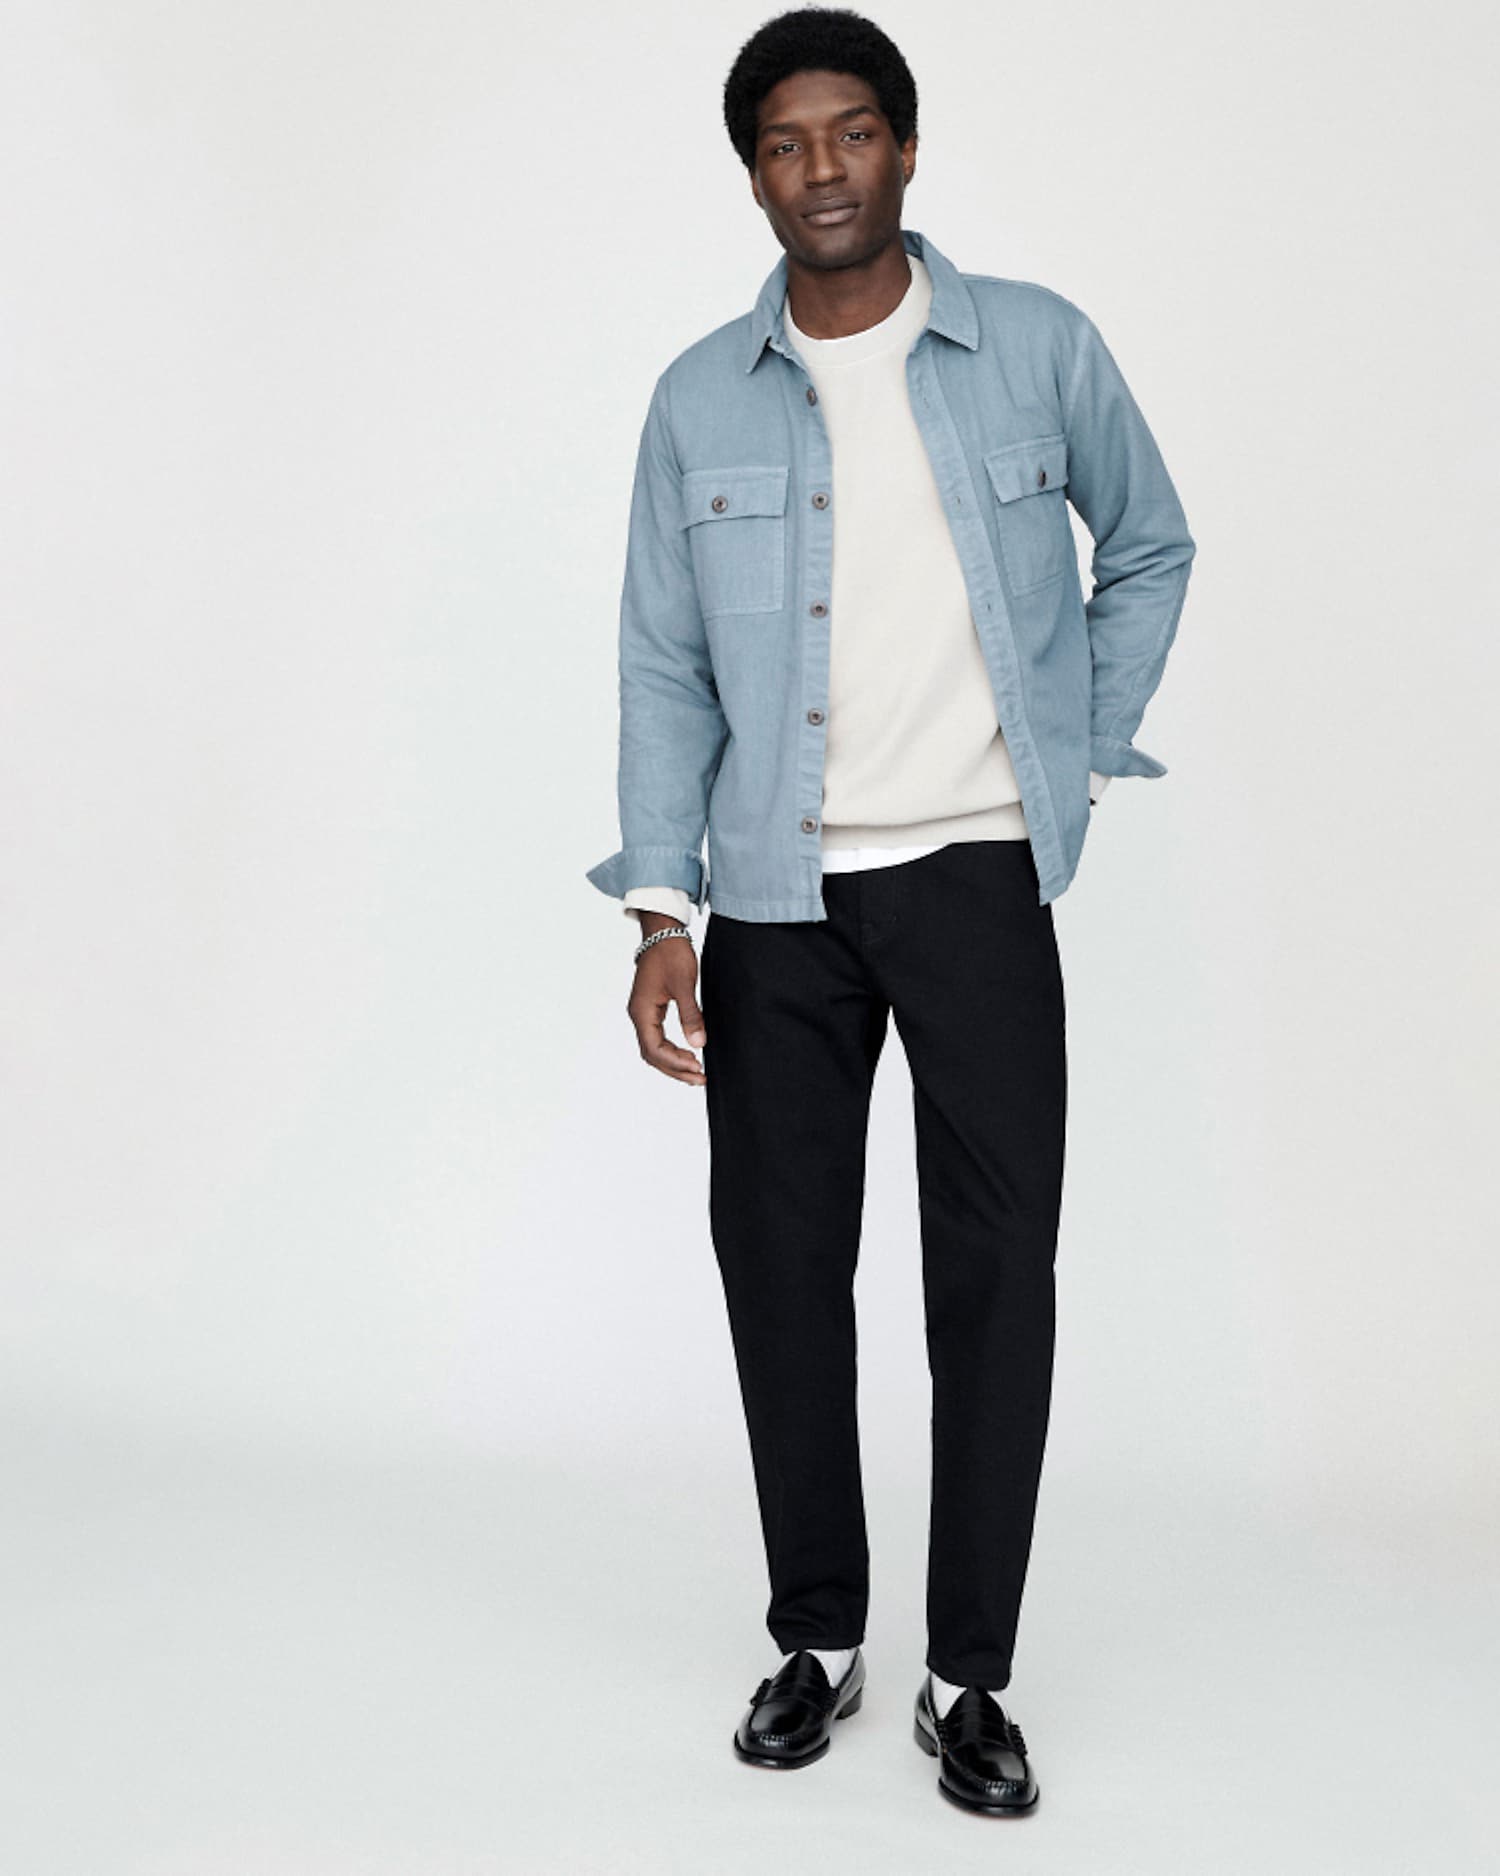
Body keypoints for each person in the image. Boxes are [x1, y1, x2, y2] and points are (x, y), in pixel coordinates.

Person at [585, 5, 1195, 1818]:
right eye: (786, 144)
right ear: (754, 174)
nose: (823, 169)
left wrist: (1074, 750)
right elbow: (661, 664)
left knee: (995, 1281)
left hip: (980, 877)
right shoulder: (700, 396)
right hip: (774, 897)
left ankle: (967, 1677)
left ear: (907, 150)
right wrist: (658, 909)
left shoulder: (1037, 351)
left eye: (853, 133)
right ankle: (820, 1636)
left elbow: (1149, 540)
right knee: (781, 1271)